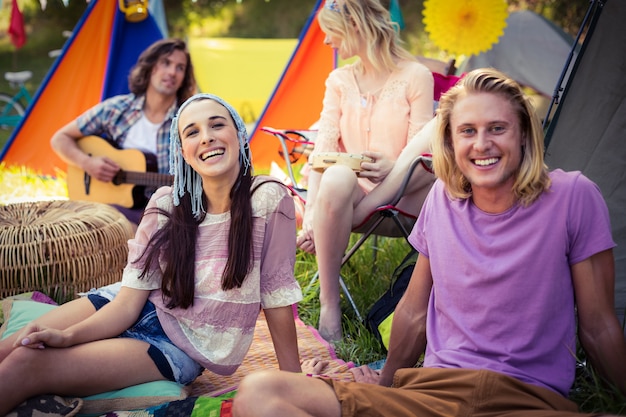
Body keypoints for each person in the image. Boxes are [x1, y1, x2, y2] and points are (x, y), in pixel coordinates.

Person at [232, 68, 626, 417]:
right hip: (433, 396)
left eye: (497, 128)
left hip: (527, 400)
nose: (482, 144)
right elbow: (413, 311)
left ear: (523, 134)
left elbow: (598, 325)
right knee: (260, 393)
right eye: (467, 131)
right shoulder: (444, 200)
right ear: (451, 144)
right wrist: (385, 384)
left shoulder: (572, 195)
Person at [0, 93, 304, 415]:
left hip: (173, 347)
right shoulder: (165, 204)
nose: (207, 137)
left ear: (240, 135)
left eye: (217, 125)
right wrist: (68, 336)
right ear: (183, 153)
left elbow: (276, 294)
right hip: (126, 304)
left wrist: (295, 383)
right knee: (11, 347)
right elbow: (128, 303)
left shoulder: (268, 199)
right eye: (192, 132)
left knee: (27, 361)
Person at [296, 0, 435, 342]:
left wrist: (393, 167)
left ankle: (338, 221)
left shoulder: (416, 76)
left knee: (346, 179)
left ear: (356, 25)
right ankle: (330, 307)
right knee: (338, 175)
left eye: (331, 31)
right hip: (349, 199)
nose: (327, 41)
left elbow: (427, 156)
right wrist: (313, 213)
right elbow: (323, 151)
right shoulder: (339, 80)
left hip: (406, 201)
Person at [50, 38, 197, 225]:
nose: (172, 72)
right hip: (109, 210)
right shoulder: (117, 109)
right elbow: (60, 138)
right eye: (166, 63)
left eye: (180, 68)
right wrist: (87, 163)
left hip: (165, 214)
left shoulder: (187, 120)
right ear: (151, 67)